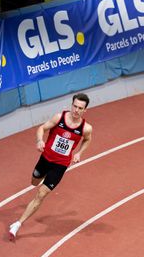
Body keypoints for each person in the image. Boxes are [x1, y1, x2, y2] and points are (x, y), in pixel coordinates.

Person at [9, 93, 93, 241]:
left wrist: (79, 153)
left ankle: (17, 224)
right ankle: (41, 180)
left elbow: (87, 140)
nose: (76, 110)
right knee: (34, 182)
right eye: (75, 106)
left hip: (60, 165)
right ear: (71, 105)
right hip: (45, 158)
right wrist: (39, 140)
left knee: (41, 194)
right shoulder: (59, 118)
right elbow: (42, 128)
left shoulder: (86, 128)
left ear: (85, 110)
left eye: (80, 108)